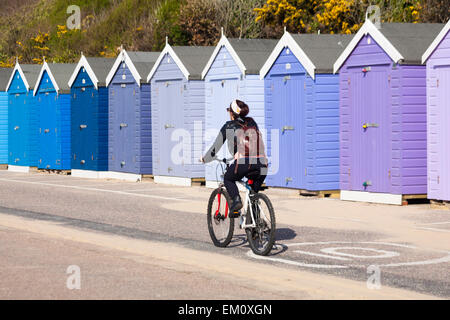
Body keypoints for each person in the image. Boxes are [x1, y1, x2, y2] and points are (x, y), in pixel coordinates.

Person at [201, 99, 268, 217]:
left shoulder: (229, 126)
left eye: (229, 111)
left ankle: (236, 202)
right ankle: (256, 228)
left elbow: (215, 148)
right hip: (262, 164)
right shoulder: (252, 122)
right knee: (253, 194)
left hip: (244, 162)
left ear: (232, 113)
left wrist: (205, 159)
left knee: (228, 179)